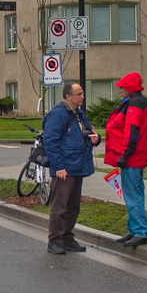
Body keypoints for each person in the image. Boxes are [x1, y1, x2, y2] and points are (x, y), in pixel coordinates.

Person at [44, 81, 99, 255]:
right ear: (68, 96)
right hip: (65, 167)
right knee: (60, 206)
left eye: (82, 93)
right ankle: (54, 240)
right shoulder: (58, 114)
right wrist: (58, 166)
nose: (82, 96)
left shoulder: (79, 113)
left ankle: (67, 237)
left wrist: (96, 137)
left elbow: (86, 133)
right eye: (79, 93)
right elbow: (50, 141)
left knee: (73, 206)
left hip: (78, 165)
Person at [104, 72, 147, 247]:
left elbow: (132, 132)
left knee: (133, 196)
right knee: (133, 194)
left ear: (129, 88)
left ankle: (140, 231)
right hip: (135, 156)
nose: (119, 91)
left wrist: (124, 155)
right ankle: (134, 230)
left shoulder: (134, 104)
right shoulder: (138, 102)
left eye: (122, 87)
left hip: (132, 158)